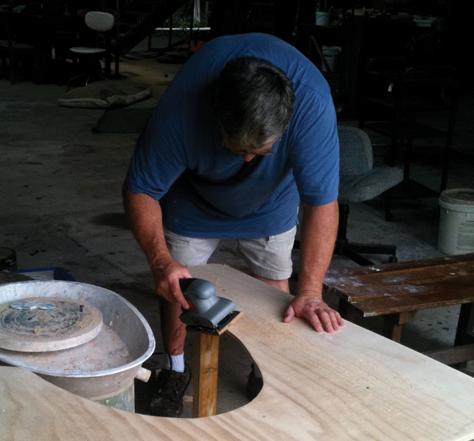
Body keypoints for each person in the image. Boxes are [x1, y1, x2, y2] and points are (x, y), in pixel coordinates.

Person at [123, 33, 344, 417]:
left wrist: (310, 291)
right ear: (215, 116)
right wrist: (160, 260)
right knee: (178, 289)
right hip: (193, 197)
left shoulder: (312, 107)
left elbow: (321, 203)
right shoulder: (182, 110)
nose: (244, 160)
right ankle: (174, 369)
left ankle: (266, 372)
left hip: (273, 199)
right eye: (236, 148)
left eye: (257, 152)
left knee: (278, 294)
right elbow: (140, 189)